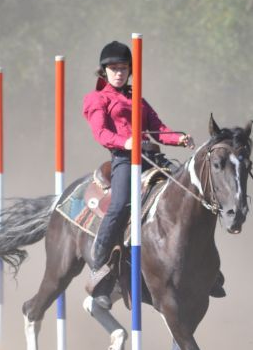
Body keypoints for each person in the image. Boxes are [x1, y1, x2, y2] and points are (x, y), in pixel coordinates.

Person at [82, 40, 226, 297]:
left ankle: (206, 268)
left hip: (152, 158)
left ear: (129, 71)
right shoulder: (97, 99)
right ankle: (99, 263)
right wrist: (125, 141)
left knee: (190, 191)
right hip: (125, 160)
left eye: (124, 68)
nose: (119, 73)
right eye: (113, 68)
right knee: (120, 204)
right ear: (104, 71)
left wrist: (178, 139)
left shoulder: (139, 100)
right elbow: (101, 132)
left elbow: (159, 130)